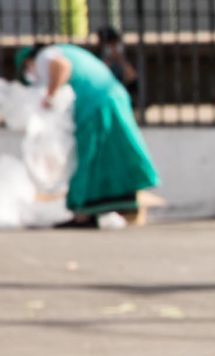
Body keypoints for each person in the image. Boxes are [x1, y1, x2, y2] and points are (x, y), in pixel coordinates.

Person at [15, 42, 159, 226]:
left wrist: (50, 96)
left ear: (28, 61)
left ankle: (84, 212)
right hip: (111, 98)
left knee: (88, 157)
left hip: (95, 106)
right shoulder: (65, 49)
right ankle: (116, 206)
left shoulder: (45, 56)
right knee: (112, 155)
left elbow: (61, 66)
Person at [93, 27, 139, 98]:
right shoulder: (97, 62)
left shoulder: (122, 61)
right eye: (110, 44)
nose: (114, 47)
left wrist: (121, 61)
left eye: (115, 43)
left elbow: (134, 84)